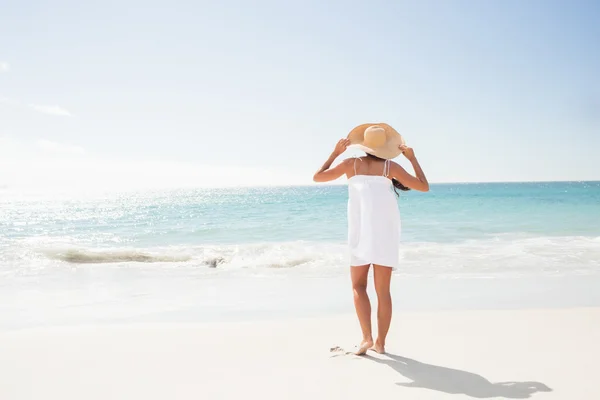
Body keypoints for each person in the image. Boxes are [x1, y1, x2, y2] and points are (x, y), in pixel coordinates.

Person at [313, 123, 429, 355]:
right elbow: (423, 187)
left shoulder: (350, 164)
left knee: (358, 286)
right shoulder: (390, 167)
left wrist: (335, 154)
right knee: (383, 291)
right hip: (385, 233)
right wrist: (413, 159)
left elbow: (318, 177)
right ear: (385, 148)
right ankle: (381, 343)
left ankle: (366, 338)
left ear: (363, 145)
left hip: (360, 232)